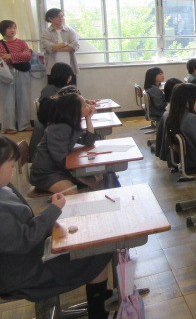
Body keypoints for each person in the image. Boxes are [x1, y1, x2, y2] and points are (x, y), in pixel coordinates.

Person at [0, 136, 112, 319]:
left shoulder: (4, 187)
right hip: (24, 273)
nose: (13, 171)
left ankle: (99, 303)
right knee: (99, 249)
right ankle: (98, 309)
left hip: (29, 258)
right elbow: (25, 239)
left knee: (95, 244)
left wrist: (50, 213)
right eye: (11, 166)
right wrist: (53, 211)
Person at [29, 93, 101, 193]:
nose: (89, 106)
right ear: (75, 110)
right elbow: (59, 159)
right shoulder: (60, 127)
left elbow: (89, 141)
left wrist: (88, 118)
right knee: (73, 191)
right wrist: (78, 175)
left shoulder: (71, 123)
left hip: (59, 168)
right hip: (45, 173)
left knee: (95, 177)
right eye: (85, 105)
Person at [0, 20, 32, 134]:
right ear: (3, 30)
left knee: (24, 98)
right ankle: (9, 127)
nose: (13, 30)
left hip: (22, 72)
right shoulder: (0, 44)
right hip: (6, 73)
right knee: (7, 99)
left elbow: (27, 56)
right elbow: (2, 58)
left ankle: (24, 124)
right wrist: (17, 56)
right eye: (9, 28)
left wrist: (10, 56)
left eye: (14, 28)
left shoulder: (22, 43)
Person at [41, 8, 80, 82]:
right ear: (50, 18)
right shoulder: (46, 33)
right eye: (57, 17)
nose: (61, 18)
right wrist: (64, 44)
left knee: (71, 89)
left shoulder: (69, 31)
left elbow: (75, 46)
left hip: (70, 67)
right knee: (54, 88)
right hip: (52, 68)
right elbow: (49, 47)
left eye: (62, 16)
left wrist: (56, 47)